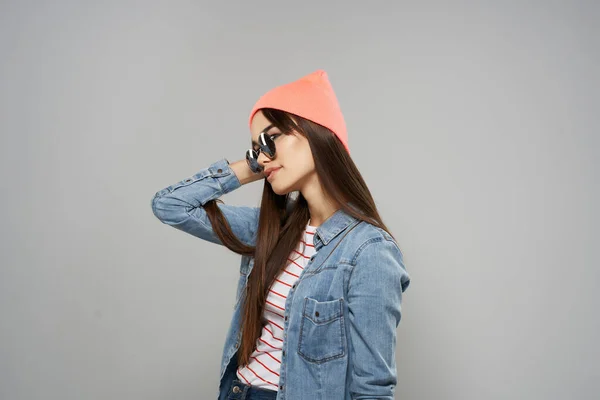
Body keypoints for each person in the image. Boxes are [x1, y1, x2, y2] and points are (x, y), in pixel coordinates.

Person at [151, 69, 411, 400]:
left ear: (315, 132)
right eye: (255, 148)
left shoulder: (369, 251)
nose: (261, 155)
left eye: (271, 138)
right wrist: (253, 165)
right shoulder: (271, 230)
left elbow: (372, 388)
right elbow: (170, 206)